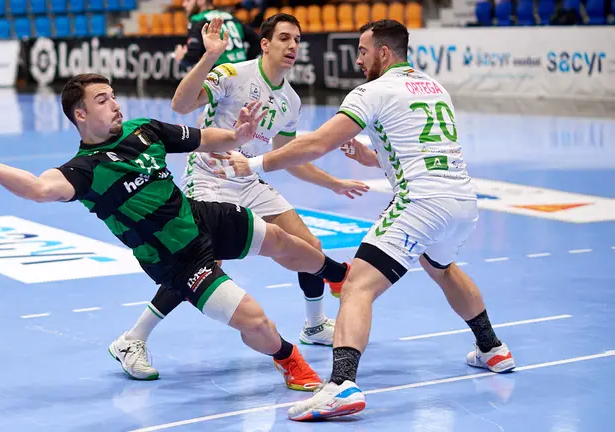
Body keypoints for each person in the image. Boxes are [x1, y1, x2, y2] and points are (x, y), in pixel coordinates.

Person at [0, 73, 353, 392]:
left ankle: (336, 275)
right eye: (102, 100)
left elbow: (201, 139)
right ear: (80, 115)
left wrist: (237, 136)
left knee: (283, 242)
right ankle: (288, 358)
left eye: (113, 96)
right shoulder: (85, 170)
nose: (115, 104)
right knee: (256, 321)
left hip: (199, 217)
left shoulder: (143, 130)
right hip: (177, 260)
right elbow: (37, 189)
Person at [215, 19, 516, 421]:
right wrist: (372, 158)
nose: (358, 60)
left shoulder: (372, 91)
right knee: (441, 267)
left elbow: (316, 143)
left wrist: (252, 164)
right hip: (462, 201)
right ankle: (493, 348)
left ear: (384, 53)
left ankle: (341, 385)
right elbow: (425, 151)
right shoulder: (434, 88)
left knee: (356, 284)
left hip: (420, 203)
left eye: (363, 51)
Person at [113, 14, 370, 381]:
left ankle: (314, 325)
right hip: (209, 178)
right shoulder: (233, 74)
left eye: (297, 40)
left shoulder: (291, 100)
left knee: (308, 245)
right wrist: (209, 56)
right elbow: (181, 105)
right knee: (201, 264)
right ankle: (132, 339)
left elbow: (288, 157)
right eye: (284, 38)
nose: (292, 46)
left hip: (248, 179)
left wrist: (333, 184)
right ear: (265, 44)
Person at [174, 0, 261, 71]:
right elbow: (257, 41)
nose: (184, 4)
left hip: (218, 75)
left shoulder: (197, 20)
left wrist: (182, 58)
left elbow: (192, 56)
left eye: (188, 0)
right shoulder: (232, 17)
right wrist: (246, 60)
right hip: (240, 71)